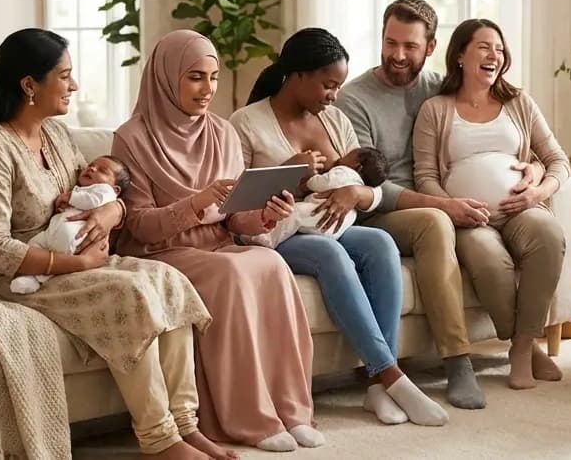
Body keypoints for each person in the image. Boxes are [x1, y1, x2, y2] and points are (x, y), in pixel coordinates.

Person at [0, 29, 230, 460]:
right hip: (17, 275)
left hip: (78, 255)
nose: (74, 85)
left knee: (168, 279)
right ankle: (159, 440)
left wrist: (106, 214)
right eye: (65, 75)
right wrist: (75, 265)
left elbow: (109, 193)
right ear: (29, 85)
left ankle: (186, 425)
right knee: (129, 292)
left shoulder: (58, 137)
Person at [112, 30, 325, 452]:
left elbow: (233, 219)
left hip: (217, 243)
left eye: (213, 77)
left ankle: (291, 409)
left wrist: (264, 214)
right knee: (229, 271)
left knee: (270, 263)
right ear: (166, 78)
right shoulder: (131, 138)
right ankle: (249, 419)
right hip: (163, 252)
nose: (207, 89)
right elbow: (136, 226)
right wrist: (194, 203)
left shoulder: (223, 133)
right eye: (195, 77)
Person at [230, 28, 449, 427]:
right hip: (279, 232)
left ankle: (377, 389)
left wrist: (354, 194)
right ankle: (391, 375)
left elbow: (369, 185)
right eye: (328, 85)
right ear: (297, 75)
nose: (334, 95)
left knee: (380, 242)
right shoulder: (246, 123)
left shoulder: (334, 119)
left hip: (333, 224)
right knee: (331, 254)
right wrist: (288, 172)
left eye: (338, 86)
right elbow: (237, 203)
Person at [336, 0, 542, 409]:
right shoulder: (355, 99)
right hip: (381, 211)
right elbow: (364, 182)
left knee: (471, 228)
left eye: (410, 46)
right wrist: (446, 206)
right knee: (434, 222)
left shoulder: (440, 88)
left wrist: (534, 169)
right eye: (390, 42)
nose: (397, 55)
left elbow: (503, 133)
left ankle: (523, 342)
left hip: (443, 204)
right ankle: (457, 360)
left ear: (430, 47)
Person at [413, 19, 570, 389]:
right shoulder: (435, 109)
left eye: (499, 49)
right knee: (488, 259)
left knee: (548, 234)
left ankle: (521, 347)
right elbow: (424, 177)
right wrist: (454, 206)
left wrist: (537, 191)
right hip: (470, 219)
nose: (493, 55)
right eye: (484, 47)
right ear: (461, 56)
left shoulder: (519, 102)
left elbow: (559, 161)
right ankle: (526, 348)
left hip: (521, 208)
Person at [10, 155, 132, 294]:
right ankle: (29, 278)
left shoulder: (105, 192)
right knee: (34, 244)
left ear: (115, 190)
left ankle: (42, 277)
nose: (92, 168)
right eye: (90, 165)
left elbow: (92, 201)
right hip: (54, 230)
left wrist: (70, 197)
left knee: (64, 245)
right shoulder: (80, 189)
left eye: (102, 171)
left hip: (76, 233)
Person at [251, 147, 388, 248]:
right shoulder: (359, 177)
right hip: (335, 229)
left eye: (349, 154)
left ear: (357, 165)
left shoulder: (344, 172)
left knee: (294, 213)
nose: (343, 155)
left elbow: (323, 183)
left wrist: (310, 179)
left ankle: (266, 240)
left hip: (320, 215)